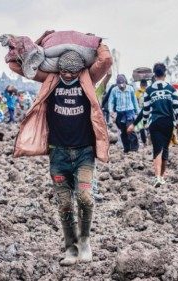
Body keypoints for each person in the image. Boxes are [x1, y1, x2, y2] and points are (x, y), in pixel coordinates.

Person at [7, 42, 112, 266]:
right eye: (63, 70)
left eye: (71, 71)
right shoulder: (51, 80)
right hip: (58, 155)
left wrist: (98, 43)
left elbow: (106, 61)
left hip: (84, 153)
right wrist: (24, 46)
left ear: (80, 70)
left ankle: (85, 241)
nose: (66, 75)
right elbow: (18, 66)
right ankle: (70, 249)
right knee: (64, 204)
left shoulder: (87, 80)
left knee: (85, 198)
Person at [128, 63, 178, 187]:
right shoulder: (171, 89)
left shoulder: (149, 91)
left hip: (154, 123)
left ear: (154, 75)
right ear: (165, 75)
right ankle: (162, 176)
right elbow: (177, 107)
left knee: (157, 149)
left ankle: (157, 177)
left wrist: (144, 123)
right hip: (168, 123)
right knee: (165, 149)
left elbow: (146, 109)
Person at [108, 74, 140, 153]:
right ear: (117, 84)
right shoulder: (114, 90)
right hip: (120, 114)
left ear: (125, 82)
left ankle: (134, 149)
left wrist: (138, 111)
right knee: (123, 131)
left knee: (130, 129)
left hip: (129, 112)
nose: (122, 86)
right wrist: (110, 111)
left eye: (123, 84)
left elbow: (134, 101)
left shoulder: (130, 89)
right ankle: (126, 148)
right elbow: (111, 101)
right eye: (120, 84)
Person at [135, 79, 149, 145]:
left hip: (140, 111)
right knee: (149, 126)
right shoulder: (149, 91)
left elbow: (136, 102)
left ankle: (145, 142)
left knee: (141, 128)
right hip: (149, 111)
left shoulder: (137, 92)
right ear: (146, 84)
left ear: (140, 85)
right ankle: (150, 140)